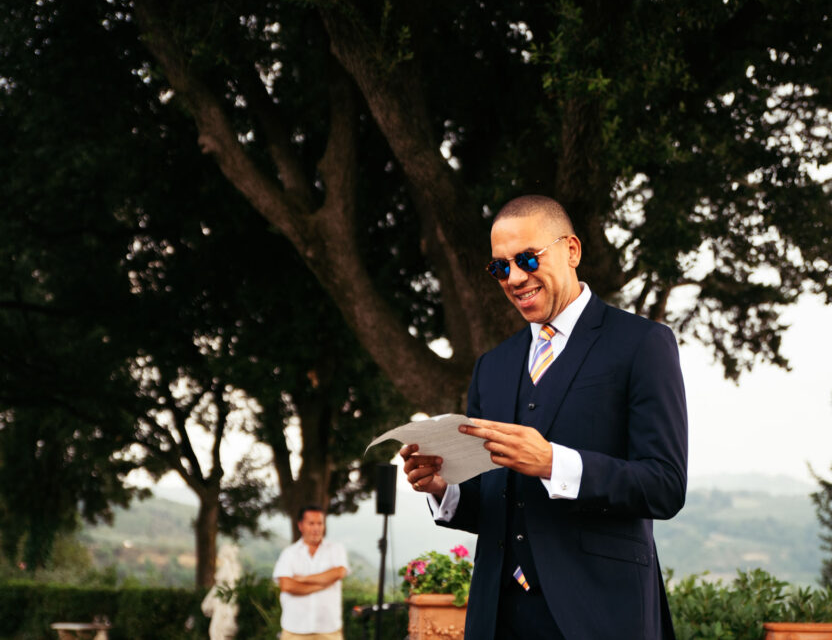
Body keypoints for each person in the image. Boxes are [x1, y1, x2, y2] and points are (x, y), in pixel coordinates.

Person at [400, 195, 688, 639]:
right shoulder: (491, 367)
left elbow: (665, 485)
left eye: (527, 258)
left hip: (603, 616)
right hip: (497, 620)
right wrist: (443, 488)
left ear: (571, 250)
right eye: (500, 267)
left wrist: (556, 462)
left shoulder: (643, 344)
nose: (514, 278)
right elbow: (496, 505)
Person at [272, 505, 350, 640]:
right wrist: (324, 583)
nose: (316, 528)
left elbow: (338, 573)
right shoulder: (289, 553)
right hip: (294, 631)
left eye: (320, 523)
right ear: (301, 525)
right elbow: (287, 586)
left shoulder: (336, 549)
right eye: (311, 523)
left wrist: (302, 579)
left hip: (329, 631)